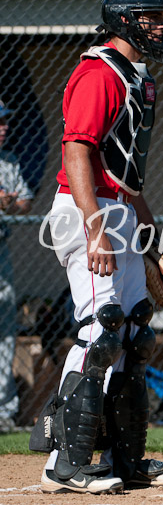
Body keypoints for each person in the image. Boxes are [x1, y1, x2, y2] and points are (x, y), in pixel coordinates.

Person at [37, 0, 163, 493]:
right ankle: (64, 462)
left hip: (116, 208)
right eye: (151, 17)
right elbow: (76, 151)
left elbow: (127, 178)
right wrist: (95, 229)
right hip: (88, 212)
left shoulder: (135, 78)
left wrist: (153, 241)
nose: (161, 27)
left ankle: (127, 461)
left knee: (134, 333)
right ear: (124, 19)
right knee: (98, 330)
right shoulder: (99, 74)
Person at [0, 100, 33, 433]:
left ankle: (4, 410)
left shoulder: (8, 161)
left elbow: (25, 200)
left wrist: (9, 202)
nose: (4, 127)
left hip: (1, 250)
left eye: (6, 121)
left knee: (5, 330)